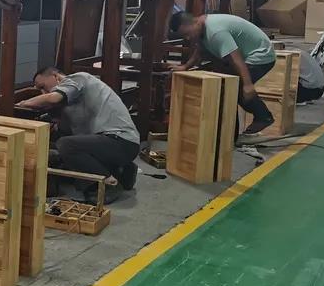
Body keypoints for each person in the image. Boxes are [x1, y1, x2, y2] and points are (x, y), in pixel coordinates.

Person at [17, 67, 140, 203]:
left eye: (43, 86)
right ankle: (121, 171)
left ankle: (108, 185)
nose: (43, 92)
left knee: (66, 145)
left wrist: (23, 104)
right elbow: (65, 130)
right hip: (116, 144)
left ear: (55, 76)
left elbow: (53, 98)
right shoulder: (73, 100)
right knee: (58, 147)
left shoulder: (78, 78)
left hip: (121, 141)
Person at [170, 12, 277, 137]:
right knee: (228, 87)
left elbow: (236, 58)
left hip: (261, 55)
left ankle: (261, 117)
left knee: (233, 89)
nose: (188, 38)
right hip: (245, 54)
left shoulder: (216, 31)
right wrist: (185, 67)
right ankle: (230, 134)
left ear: (194, 22)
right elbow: (200, 51)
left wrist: (247, 85)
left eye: (187, 34)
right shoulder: (201, 29)